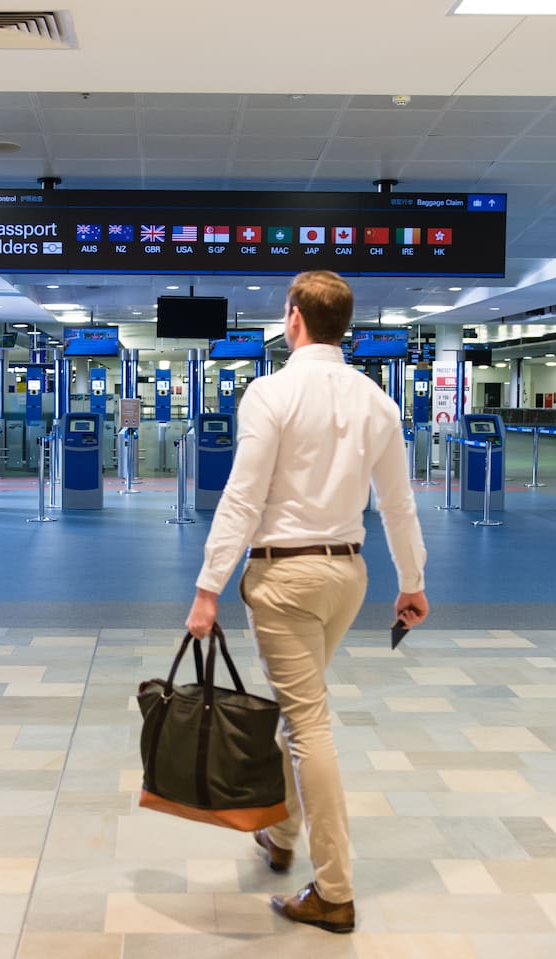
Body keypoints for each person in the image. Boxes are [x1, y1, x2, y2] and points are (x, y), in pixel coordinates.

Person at [185, 270, 428, 934]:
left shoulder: (270, 393)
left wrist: (208, 586)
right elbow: (398, 502)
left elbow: (244, 495)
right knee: (302, 708)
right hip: (348, 577)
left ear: (294, 319)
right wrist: (413, 580)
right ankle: (282, 832)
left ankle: (335, 889)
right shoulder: (377, 401)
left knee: (309, 725)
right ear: (341, 325)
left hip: (284, 581)